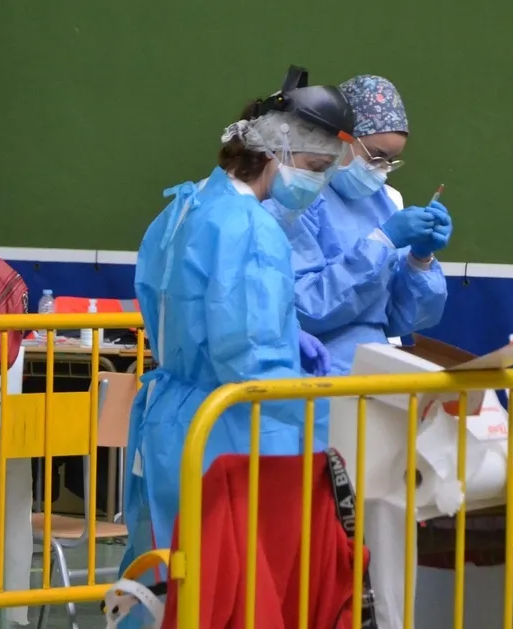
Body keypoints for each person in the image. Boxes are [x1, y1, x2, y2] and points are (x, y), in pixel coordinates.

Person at [120, 70, 353, 582]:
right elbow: (253, 365)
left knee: (171, 588)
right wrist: (330, 414)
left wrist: (285, 333)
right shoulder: (250, 227)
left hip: (174, 425)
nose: (317, 184)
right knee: (235, 594)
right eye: (314, 168)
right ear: (276, 152)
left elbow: (187, 309)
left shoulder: (186, 205)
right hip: (229, 437)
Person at [268, 74, 451, 376]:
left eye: (392, 160)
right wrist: (382, 242)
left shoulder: (384, 202)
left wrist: (420, 259)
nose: (382, 170)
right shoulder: (297, 194)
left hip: (376, 371)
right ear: (340, 138)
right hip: (316, 374)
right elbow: (304, 308)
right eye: (377, 156)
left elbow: (400, 318)